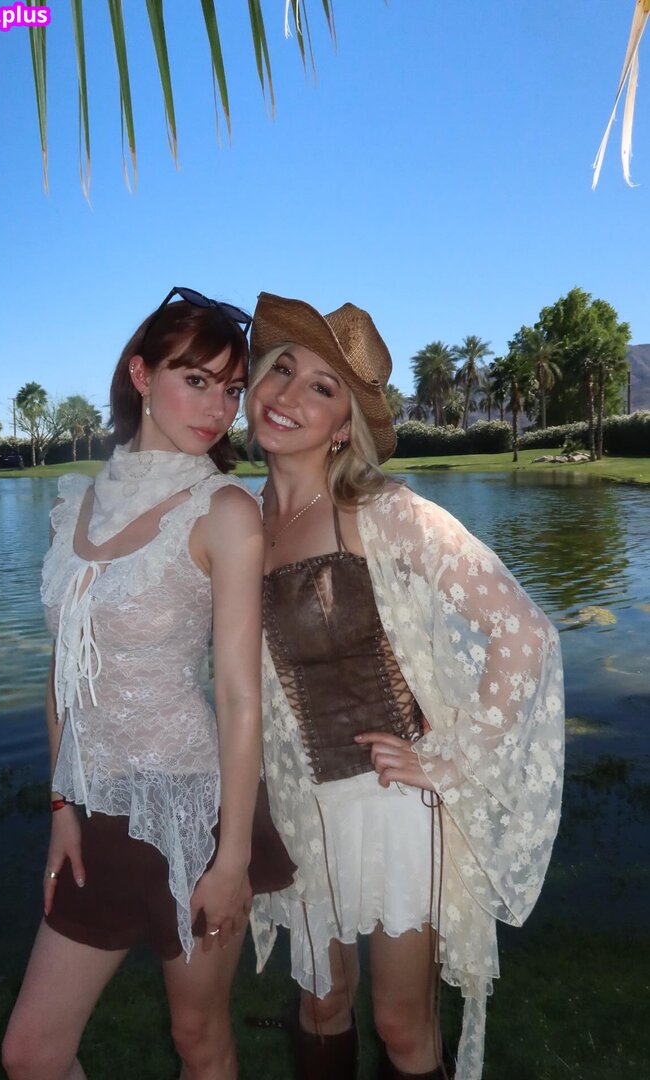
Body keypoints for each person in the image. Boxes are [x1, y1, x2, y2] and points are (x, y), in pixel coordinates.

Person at [245, 293, 565, 1080]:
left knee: (399, 1023)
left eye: (322, 387)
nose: (288, 395)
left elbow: (525, 633)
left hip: (389, 801)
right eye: (281, 369)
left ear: (343, 427)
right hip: (293, 804)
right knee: (321, 1002)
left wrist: (447, 758)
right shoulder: (234, 521)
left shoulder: (382, 513)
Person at [3, 288, 294, 1080]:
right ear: (140, 374)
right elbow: (63, 673)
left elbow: (237, 696)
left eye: (231, 389)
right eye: (195, 380)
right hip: (94, 810)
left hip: (192, 815)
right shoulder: (76, 505)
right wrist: (61, 808)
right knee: (31, 1055)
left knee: (199, 1040)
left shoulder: (225, 511)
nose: (219, 409)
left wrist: (231, 860)